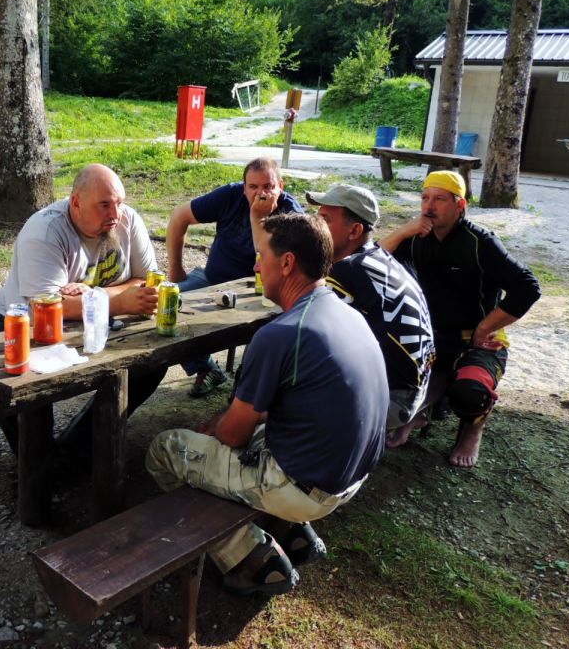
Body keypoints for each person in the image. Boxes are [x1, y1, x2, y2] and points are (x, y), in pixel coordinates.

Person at [147, 213, 388, 596]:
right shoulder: (348, 313)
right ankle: (292, 531)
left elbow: (233, 435)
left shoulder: (279, 334)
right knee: (253, 427)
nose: (256, 265)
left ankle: (250, 555)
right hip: (351, 478)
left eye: (261, 256)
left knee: (165, 449)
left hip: (304, 490)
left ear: (288, 263)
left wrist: (217, 428)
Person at [0, 163, 165, 453]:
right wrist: (116, 302)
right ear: (76, 202)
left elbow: (146, 281)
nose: (115, 215)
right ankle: (39, 469)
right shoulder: (44, 232)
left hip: (100, 322)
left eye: (119, 203)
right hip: (24, 325)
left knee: (151, 364)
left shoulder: (127, 221)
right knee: (22, 392)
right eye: (105, 205)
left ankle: (78, 450)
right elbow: (44, 307)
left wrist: (97, 296)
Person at [379, 170, 541, 468]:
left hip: (476, 343)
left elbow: (528, 286)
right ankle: (418, 414)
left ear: (460, 205)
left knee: (470, 393)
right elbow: (372, 260)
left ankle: (472, 429)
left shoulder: (479, 242)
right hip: (431, 341)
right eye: (425, 198)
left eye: (440, 199)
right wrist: (403, 231)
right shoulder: (416, 239)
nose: (429, 206)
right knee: (387, 379)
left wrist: (486, 326)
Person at [302, 184, 435, 438]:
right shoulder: (379, 257)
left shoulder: (345, 272)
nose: (314, 226)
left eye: (325, 219)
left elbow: (312, 338)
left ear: (355, 230)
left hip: (393, 399)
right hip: (416, 389)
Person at [165, 157, 303, 397]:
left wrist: (258, 217)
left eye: (268, 186)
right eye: (253, 187)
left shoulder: (290, 213)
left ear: (280, 185)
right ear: (244, 188)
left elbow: (267, 256)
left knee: (269, 330)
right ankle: (205, 367)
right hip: (212, 280)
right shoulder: (230, 196)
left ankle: (247, 389)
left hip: (261, 292)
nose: (261, 193)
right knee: (166, 306)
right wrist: (176, 269)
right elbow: (179, 217)